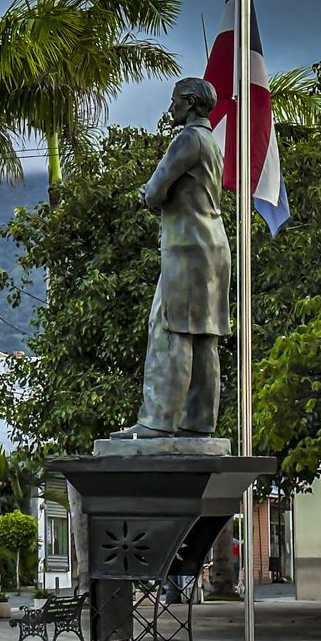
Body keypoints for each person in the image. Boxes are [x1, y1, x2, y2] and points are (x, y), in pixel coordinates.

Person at [110, 78, 229, 439]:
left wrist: (149, 198)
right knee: (204, 335)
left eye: (175, 101)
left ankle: (158, 421)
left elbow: (154, 190)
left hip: (186, 247)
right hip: (213, 248)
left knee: (169, 329)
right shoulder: (212, 142)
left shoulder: (188, 139)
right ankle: (198, 421)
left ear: (190, 103)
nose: (170, 108)